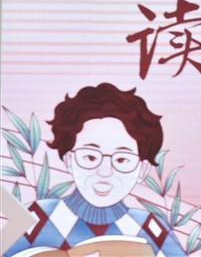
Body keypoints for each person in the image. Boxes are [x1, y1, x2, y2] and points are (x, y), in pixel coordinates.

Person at [3, 82, 186, 257]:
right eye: (90, 157)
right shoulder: (33, 218)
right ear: (69, 159)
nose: (105, 171)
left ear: (142, 169)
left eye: (121, 160)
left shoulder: (151, 229)